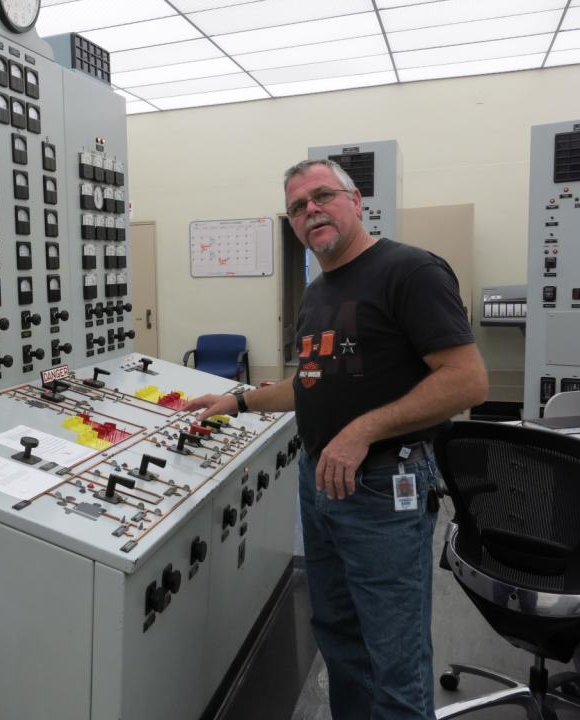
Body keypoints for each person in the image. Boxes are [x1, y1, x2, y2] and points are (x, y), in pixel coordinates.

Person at [183, 159, 488, 720]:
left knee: (393, 654)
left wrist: (362, 429)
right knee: (339, 638)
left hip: (381, 487)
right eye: (298, 207)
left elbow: (467, 380)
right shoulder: (318, 292)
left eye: (321, 196)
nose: (310, 210)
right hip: (320, 482)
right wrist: (238, 400)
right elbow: (311, 383)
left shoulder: (410, 271)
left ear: (356, 202)